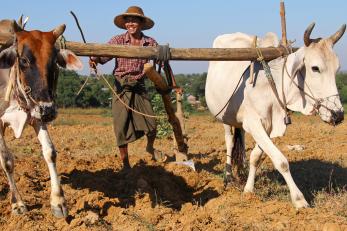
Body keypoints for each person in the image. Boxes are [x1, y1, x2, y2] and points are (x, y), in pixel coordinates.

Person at [90, 6, 167, 169]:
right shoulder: (117, 41)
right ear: (125, 24)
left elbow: (159, 57)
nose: (130, 23)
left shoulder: (150, 42)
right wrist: (94, 58)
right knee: (121, 126)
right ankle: (125, 163)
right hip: (121, 87)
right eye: (128, 20)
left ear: (141, 23)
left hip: (139, 86)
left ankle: (150, 147)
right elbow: (103, 56)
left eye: (134, 20)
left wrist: (163, 54)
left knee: (151, 124)